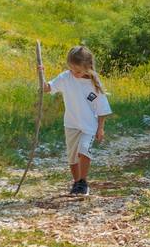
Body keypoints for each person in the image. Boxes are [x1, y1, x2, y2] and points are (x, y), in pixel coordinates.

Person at [44, 45, 111, 195]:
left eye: (78, 71)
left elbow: (102, 108)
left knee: (83, 151)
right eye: (72, 69)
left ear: (88, 67)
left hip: (89, 126)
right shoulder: (65, 77)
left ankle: (83, 182)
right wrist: (41, 76)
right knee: (73, 157)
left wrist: (100, 128)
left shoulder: (94, 83)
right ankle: (76, 183)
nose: (74, 73)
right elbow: (48, 87)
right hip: (71, 124)